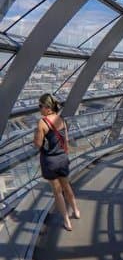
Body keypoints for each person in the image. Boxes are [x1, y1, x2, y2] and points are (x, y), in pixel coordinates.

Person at [34, 93, 80, 231]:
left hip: (50, 161)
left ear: (47, 107)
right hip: (62, 158)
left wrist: (37, 136)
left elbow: (37, 144)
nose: (39, 109)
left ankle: (66, 221)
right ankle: (76, 211)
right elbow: (65, 141)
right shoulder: (61, 120)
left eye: (40, 106)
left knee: (58, 192)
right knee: (67, 186)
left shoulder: (42, 123)